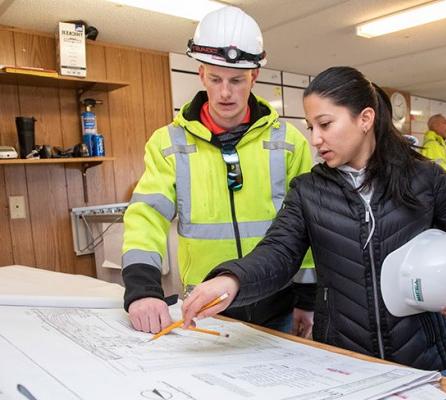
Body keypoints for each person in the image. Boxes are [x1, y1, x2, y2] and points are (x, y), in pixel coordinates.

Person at [181, 66, 446, 375]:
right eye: (312, 127)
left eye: (325, 125)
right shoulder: (309, 191)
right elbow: (278, 253)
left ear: (365, 118)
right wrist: (232, 280)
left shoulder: (424, 178)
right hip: (344, 361)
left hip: (423, 361)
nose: (315, 139)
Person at [122, 6, 316, 337]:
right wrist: (142, 290)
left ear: (254, 76)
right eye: (215, 79)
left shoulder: (290, 143)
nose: (225, 92)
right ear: (201, 74)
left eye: (237, 80)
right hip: (206, 310)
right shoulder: (169, 143)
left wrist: (308, 298)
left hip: (278, 306)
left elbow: (308, 228)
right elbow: (146, 217)